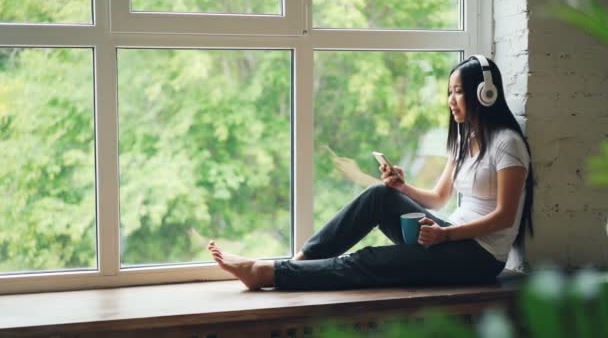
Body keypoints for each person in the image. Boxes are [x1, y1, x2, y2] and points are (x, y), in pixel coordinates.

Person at [207, 55, 534, 290]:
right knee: (381, 195)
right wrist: (402, 188)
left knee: (368, 261)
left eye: (459, 91)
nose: (451, 100)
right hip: (451, 237)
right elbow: (437, 198)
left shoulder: (507, 144)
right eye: (449, 92)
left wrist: (445, 234)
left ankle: (266, 273)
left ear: (485, 94)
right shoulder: (466, 138)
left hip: (479, 258)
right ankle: (299, 260)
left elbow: (505, 217)